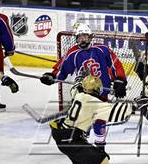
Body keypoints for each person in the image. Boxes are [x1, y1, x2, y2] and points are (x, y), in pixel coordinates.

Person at [40, 23, 127, 151]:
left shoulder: (102, 49)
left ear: (91, 37)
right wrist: (52, 76)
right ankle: (82, 139)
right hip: (83, 92)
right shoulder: (73, 53)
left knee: (100, 120)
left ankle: (100, 147)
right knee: (82, 118)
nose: (82, 40)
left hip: (102, 91)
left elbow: (115, 65)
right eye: (79, 37)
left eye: (85, 37)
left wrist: (120, 80)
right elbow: (62, 69)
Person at [50, 75, 133, 164]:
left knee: (79, 162)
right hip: (72, 138)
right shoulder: (95, 102)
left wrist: (79, 80)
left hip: (61, 134)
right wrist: (133, 106)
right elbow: (115, 112)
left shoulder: (77, 94)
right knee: (101, 161)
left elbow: (75, 88)